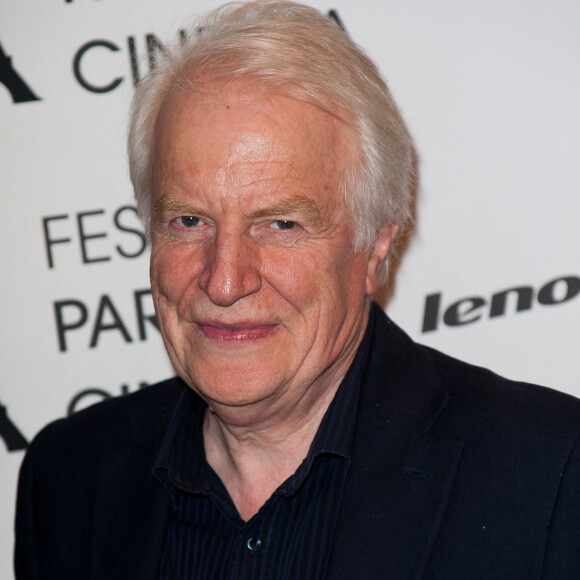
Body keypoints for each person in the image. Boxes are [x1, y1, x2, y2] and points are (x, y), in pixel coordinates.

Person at [14, 1, 580, 578]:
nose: (225, 280)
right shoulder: (66, 479)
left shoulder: (550, 477)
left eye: (281, 225)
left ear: (376, 244)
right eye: (188, 221)